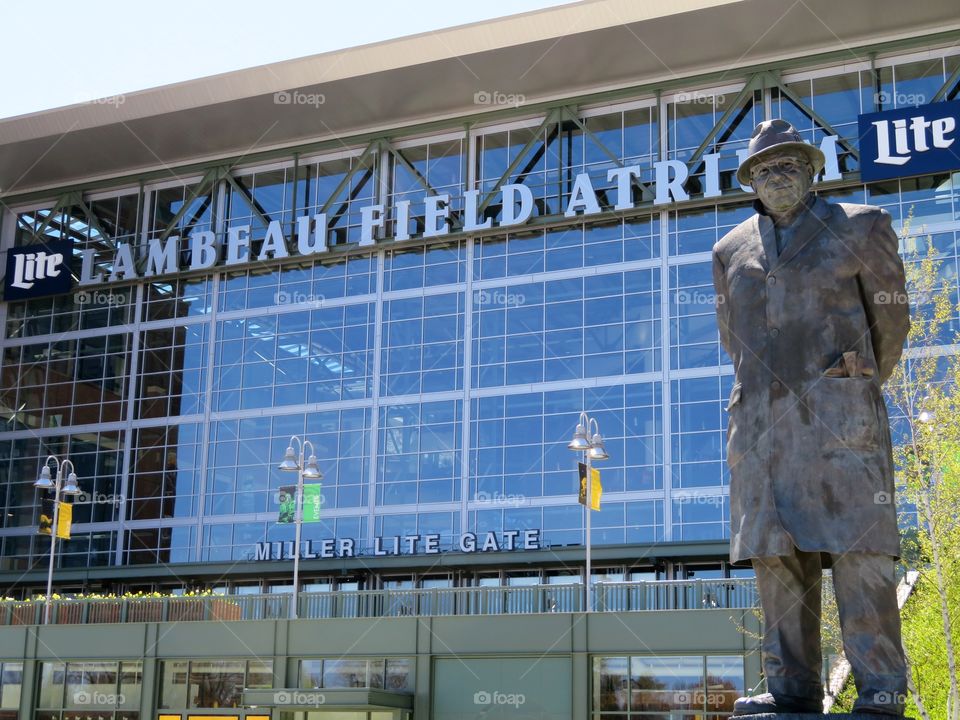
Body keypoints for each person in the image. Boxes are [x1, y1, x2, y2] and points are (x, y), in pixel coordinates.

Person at [711, 120, 910, 716]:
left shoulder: (861, 226)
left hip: (840, 424)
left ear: (812, 171)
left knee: (860, 552)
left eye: (789, 164)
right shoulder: (729, 250)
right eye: (765, 169)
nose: (777, 175)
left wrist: (850, 384)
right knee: (776, 557)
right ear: (750, 181)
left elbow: (890, 323)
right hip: (760, 431)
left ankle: (880, 690)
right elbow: (734, 340)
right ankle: (790, 689)